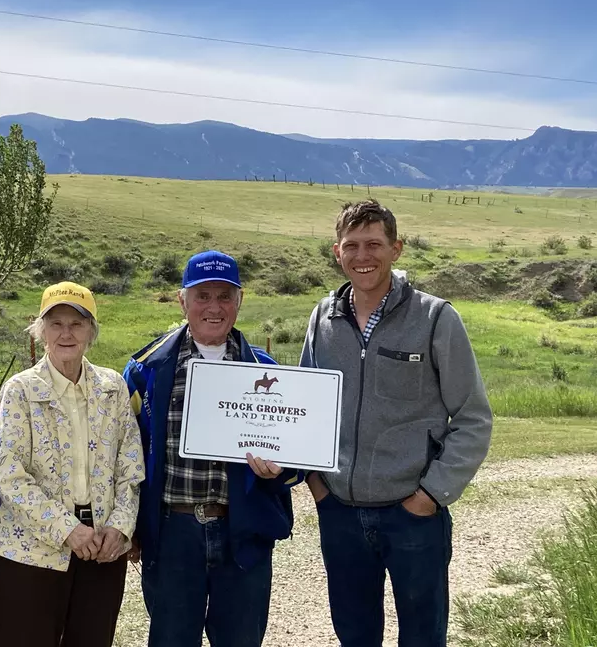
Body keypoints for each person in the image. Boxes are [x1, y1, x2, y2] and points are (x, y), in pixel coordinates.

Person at [300, 200, 493, 647]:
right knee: (354, 634)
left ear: (397, 249)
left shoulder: (435, 318)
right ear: (336, 252)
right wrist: (317, 485)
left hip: (413, 515)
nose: (362, 256)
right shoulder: (322, 318)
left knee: (423, 637)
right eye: (352, 245)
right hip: (340, 513)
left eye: (374, 244)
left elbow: (473, 418)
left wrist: (430, 496)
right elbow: (305, 408)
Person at [123, 250, 301, 647]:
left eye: (225, 296)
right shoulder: (145, 370)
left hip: (242, 532)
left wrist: (280, 471)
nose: (214, 307)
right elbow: (125, 454)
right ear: (182, 300)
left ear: (239, 302)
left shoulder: (266, 368)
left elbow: (298, 460)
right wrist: (132, 527)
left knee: (240, 639)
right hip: (172, 534)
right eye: (202, 296)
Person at [0, 282, 145, 647]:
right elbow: (10, 475)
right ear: (41, 331)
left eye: (77, 323)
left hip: (102, 551)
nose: (66, 333)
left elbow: (131, 467)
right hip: (30, 553)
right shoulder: (20, 390)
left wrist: (120, 529)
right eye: (55, 323)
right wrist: (67, 530)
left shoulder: (113, 387)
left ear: (91, 331)